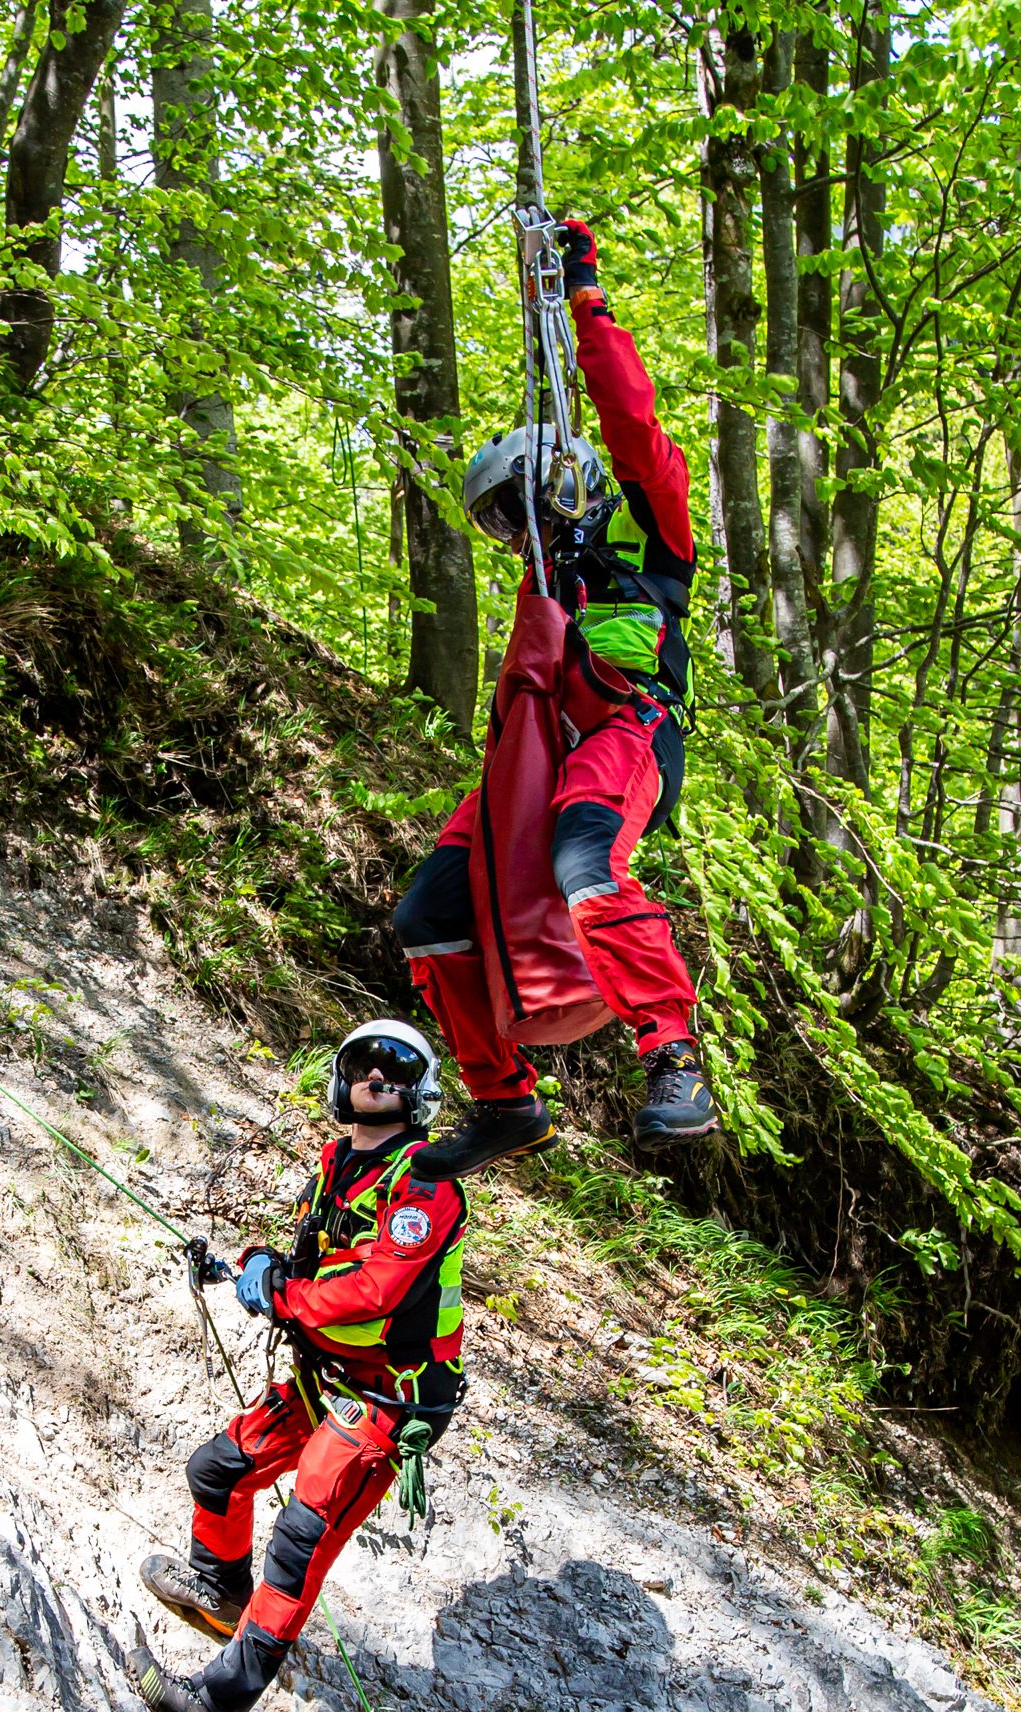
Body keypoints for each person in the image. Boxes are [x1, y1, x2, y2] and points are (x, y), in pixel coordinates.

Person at [396, 213, 718, 1181]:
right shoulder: (547, 588)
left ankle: (673, 1056)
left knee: (585, 858)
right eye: (500, 523)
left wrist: (583, 295)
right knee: (428, 913)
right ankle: (504, 1101)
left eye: (515, 508)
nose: (513, 532)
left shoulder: (651, 539)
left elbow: (630, 422)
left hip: (627, 730)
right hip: (541, 751)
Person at [129, 1019, 465, 1712]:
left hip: (389, 1398)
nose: (378, 1075)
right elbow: (312, 1259)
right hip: (326, 1377)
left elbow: (374, 1291)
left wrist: (279, 1294)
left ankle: (208, 1706)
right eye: (365, 1061)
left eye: (398, 1067)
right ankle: (220, 1594)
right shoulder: (340, 1165)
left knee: (298, 1542)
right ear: (343, 1078)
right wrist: (253, 1263)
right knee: (217, 1470)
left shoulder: (425, 1182)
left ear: (420, 1093)